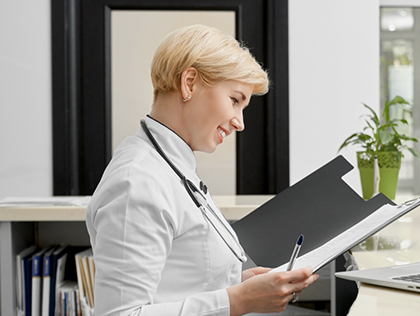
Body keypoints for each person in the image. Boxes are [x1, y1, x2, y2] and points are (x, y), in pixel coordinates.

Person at [85, 25, 319, 316]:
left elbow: (178, 282)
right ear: (190, 82)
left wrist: (237, 285)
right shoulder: (137, 182)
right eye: (235, 100)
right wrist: (237, 301)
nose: (239, 122)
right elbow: (120, 314)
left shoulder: (173, 167)